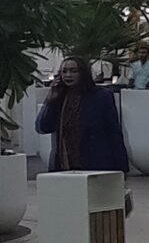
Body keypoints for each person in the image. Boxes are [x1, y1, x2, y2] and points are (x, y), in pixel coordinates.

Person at [35, 57, 131, 213]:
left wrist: (122, 168)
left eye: (73, 71)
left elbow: (114, 132)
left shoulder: (101, 96)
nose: (68, 75)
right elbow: (42, 127)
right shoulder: (60, 98)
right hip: (64, 167)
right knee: (69, 213)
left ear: (83, 73)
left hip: (96, 164)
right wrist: (50, 100)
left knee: (97, 212)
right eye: (64, 71)